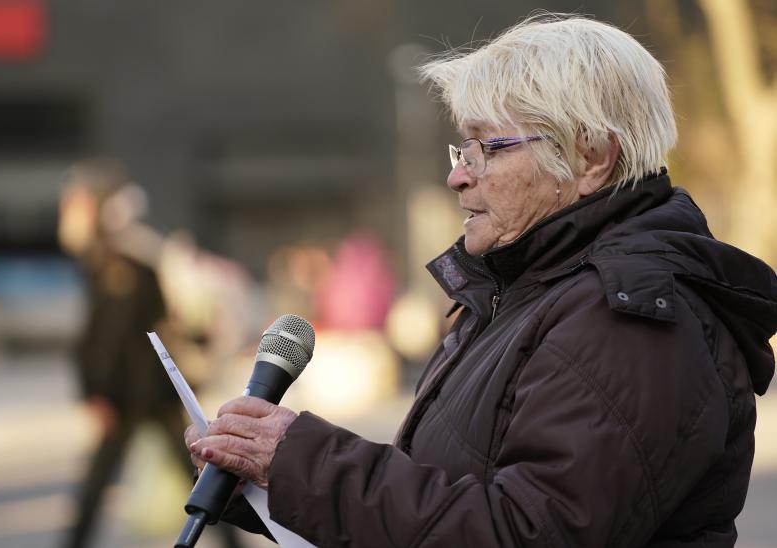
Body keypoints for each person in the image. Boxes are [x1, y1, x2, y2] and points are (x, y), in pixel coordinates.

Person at [185, 15, 777, 547]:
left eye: (488, 148)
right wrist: (263, 483)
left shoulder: (631, 321)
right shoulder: (525, 291)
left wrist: (304, 462)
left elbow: (524, 532)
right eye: (463, 146)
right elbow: (441, 501)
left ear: (591, 157)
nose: (457, 175)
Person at [58, 160, 243, 548]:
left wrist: (98, 390)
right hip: (150, 389)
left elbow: (111, 337)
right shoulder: (128, 255)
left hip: (136, 392)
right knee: (195, 469)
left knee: (107, 482)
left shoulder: (120, 261)